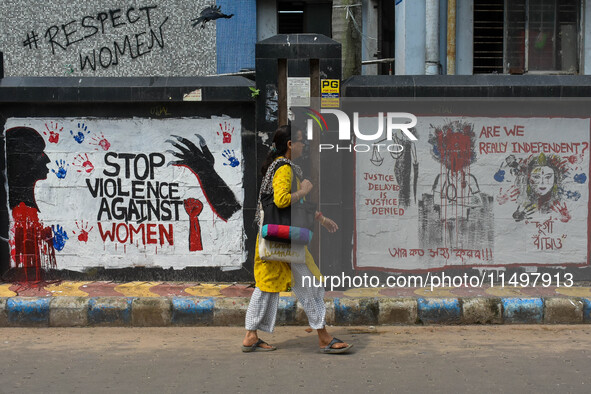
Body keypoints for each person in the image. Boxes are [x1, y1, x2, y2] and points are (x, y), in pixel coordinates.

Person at [242, 125, 352, 354]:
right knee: (310, 283)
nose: (305, 145)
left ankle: (251, 335)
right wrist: (304, 189)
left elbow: (297, 208)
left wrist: (320, 218)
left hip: (275, 237)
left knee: (267, 286)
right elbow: (282, 201)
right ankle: (323, 337)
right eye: (301, 141)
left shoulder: (279, 166)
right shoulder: (284, 168)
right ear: (290, 144)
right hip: (286, 239)